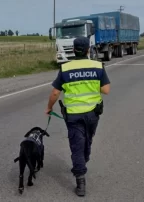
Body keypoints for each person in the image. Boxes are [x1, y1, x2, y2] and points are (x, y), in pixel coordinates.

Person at [45, 36, 111, 197]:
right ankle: (83, 161)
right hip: (93, 114)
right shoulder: (97, 66)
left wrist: (49, 107)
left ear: (74, 50)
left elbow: (55, 92)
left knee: (76, 146)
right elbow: (106, 90)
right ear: (89, 50)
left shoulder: (65, 68)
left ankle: (80, 181)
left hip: (73, 116)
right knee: (87, 140)